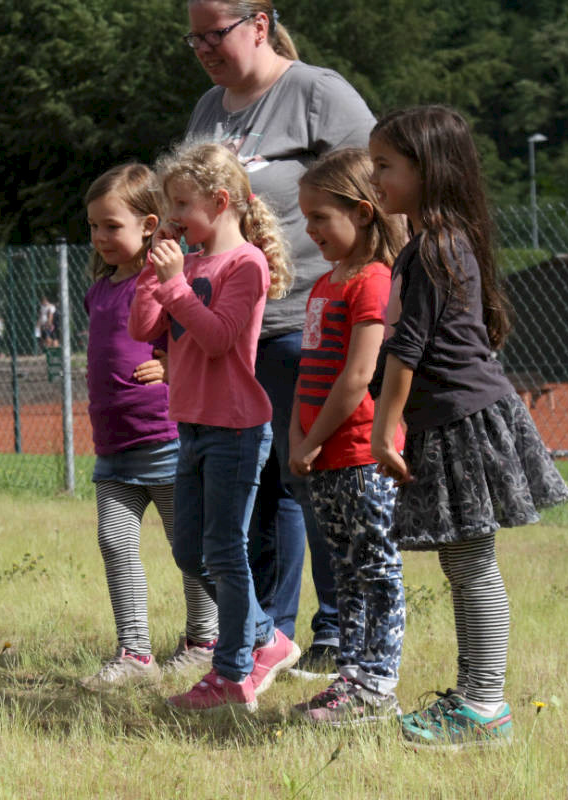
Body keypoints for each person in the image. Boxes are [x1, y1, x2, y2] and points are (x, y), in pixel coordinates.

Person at [182, 0, 377, 677]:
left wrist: (368, 292)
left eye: (216, 34)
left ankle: (341, 631)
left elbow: (374, 194)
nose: (205, 48)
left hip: (306, 321)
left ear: (259, 24)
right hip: (234, 336)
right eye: (194, 38)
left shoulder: (316, 94)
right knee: (256, 488)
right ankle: (267, 632)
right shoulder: (209, 109)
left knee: (313, 478)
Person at [367, 106, 568, 748]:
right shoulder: (429, 244)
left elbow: (408, 349)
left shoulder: (436, 245)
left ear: (429, 169)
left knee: (471, 564)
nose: (375, 178)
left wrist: (383, 430)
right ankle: (476, 698)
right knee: (464, 563)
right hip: (448, 420)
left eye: (385, 166)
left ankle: (483, 706)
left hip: (462, 422)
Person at [129, 141, 300, 713]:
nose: (173, 215)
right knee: (190, 552)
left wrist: (175, 283)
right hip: (193, 426)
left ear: (220, 201)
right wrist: (154, 272)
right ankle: (266, 637)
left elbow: (220, 338)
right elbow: (142, 327)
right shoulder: (189, 263)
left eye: (182, 204)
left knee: (226, 551)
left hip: (236, 427)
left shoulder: (245, 264)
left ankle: (231, 676)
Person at [80, 163, 220, 690]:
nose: (100, 236)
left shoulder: (164, 282)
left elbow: (196, 338)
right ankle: (135, 653)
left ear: (148, 225)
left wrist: (170, 365)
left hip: (164, 442)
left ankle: (205, 641)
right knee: (115, 543)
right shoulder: (99, 290)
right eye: (93, 226)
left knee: (189, 549)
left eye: (111, 226)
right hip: (113, 450)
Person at [286, 148, 408, 724]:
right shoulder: (323, 285)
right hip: (324, 457)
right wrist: (298, 435)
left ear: (362, 212)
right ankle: (351, 677)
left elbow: (358, 376)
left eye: (320, 217)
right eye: (305, 218)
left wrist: (313, 439)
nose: (310, 230)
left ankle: (377, 684)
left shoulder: (373, 283)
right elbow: (309, 370)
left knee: (375, 569)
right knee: (345, 571)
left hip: (360, 456)